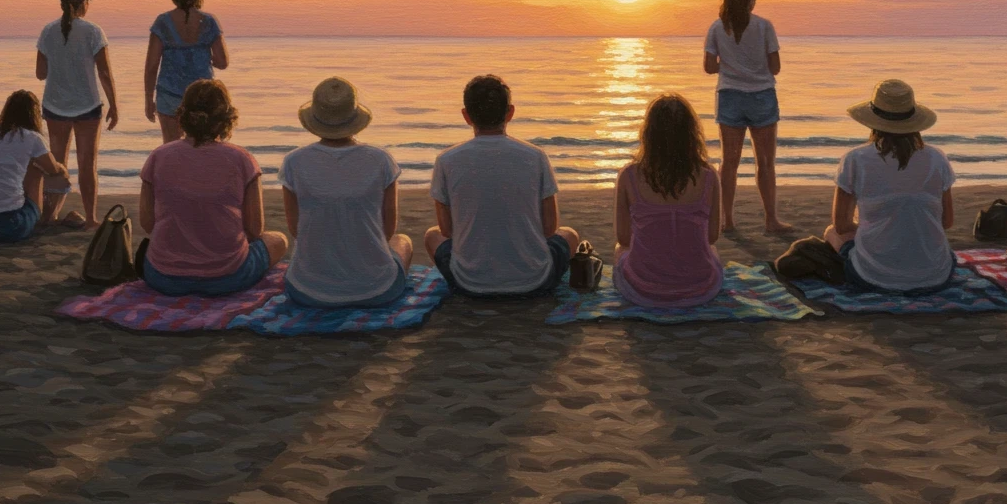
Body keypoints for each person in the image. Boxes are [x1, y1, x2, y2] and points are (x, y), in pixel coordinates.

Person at [425, 75, 580, 296]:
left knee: (432, 235)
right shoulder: (535, 156)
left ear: (466, 116)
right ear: (510, 112)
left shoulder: (447, 159)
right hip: (535, 280)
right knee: (569, 235)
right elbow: (549, 228)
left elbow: (447, 230)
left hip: (469, 283)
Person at [138, 79, 287, 296]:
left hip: (163, 277)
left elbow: (148, 224)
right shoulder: (242, 159)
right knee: (279, 240)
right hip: (228, 278)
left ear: (183, 117)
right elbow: (254, 230)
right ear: (226, 119)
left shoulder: (158, 156)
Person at [279, 77, 413, 308]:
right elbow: (387, 231)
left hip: (307, 291)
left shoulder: (294, 162)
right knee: (403, 241)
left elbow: (296, 229)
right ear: (354, 117)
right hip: (377, 290)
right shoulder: (380, 160)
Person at [821, 79, 956, 295]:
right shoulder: (936, 158)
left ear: (873, 121)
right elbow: (947, 221)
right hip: (935, 276)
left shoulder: (855, 159)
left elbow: (841, 225)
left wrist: (878, 229)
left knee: (830, 233)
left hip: (874, 277)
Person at [613, 94, 723, 308]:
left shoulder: (629, 175)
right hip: (700, 288)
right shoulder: (708, 176)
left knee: (620, 250)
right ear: (691, 134)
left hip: (642, 290)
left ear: (649, 133)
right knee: (714, 252)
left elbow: (624, 238)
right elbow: (711, 236)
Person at [703, 0, 792, 234]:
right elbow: (775, 67)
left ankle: (727, 221)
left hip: (730, 95)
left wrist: (731, 66)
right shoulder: (764, 26)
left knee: (729, 163)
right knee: (765, 163)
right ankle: (771, 220)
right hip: (762, 95)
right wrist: (754, 68)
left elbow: (709, 67)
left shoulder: (717, 28)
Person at [36, 0, 119, 229]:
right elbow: (104, 73)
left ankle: (50, 215)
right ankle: (91, 218)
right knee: (87, 164)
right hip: (87, 106)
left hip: (55, 105)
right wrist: (114, 105)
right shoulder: (93, 31)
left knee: (57, 164)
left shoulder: (47, 31)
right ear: (83, 2)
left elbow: (41, 73)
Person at [144, 0, 229, 143]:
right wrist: (204, 58)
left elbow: (152, 66)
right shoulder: (208, 21)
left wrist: (148, 99)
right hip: (203, 95)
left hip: (169, 94)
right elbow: (222, 62)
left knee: (171, 147)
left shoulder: (162, 22)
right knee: (205, 145)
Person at [0, 91, 70, 243]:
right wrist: (62, 168)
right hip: (11, 225)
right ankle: (49, 218)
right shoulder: (32, 138)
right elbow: (53, 170)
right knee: (39, 170)